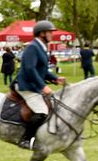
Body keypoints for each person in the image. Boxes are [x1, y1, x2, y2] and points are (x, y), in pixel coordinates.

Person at [13, 20, 66, 150]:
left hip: (33, 85)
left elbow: (41, 70)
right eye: (50, 32)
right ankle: (25, 139)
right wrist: (43, 86)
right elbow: (30, 69)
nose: (52, 35)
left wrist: (55, 78)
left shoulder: (41, 47)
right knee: (41, 111)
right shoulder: (33, 47)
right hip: (25, 85)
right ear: (41, 33)